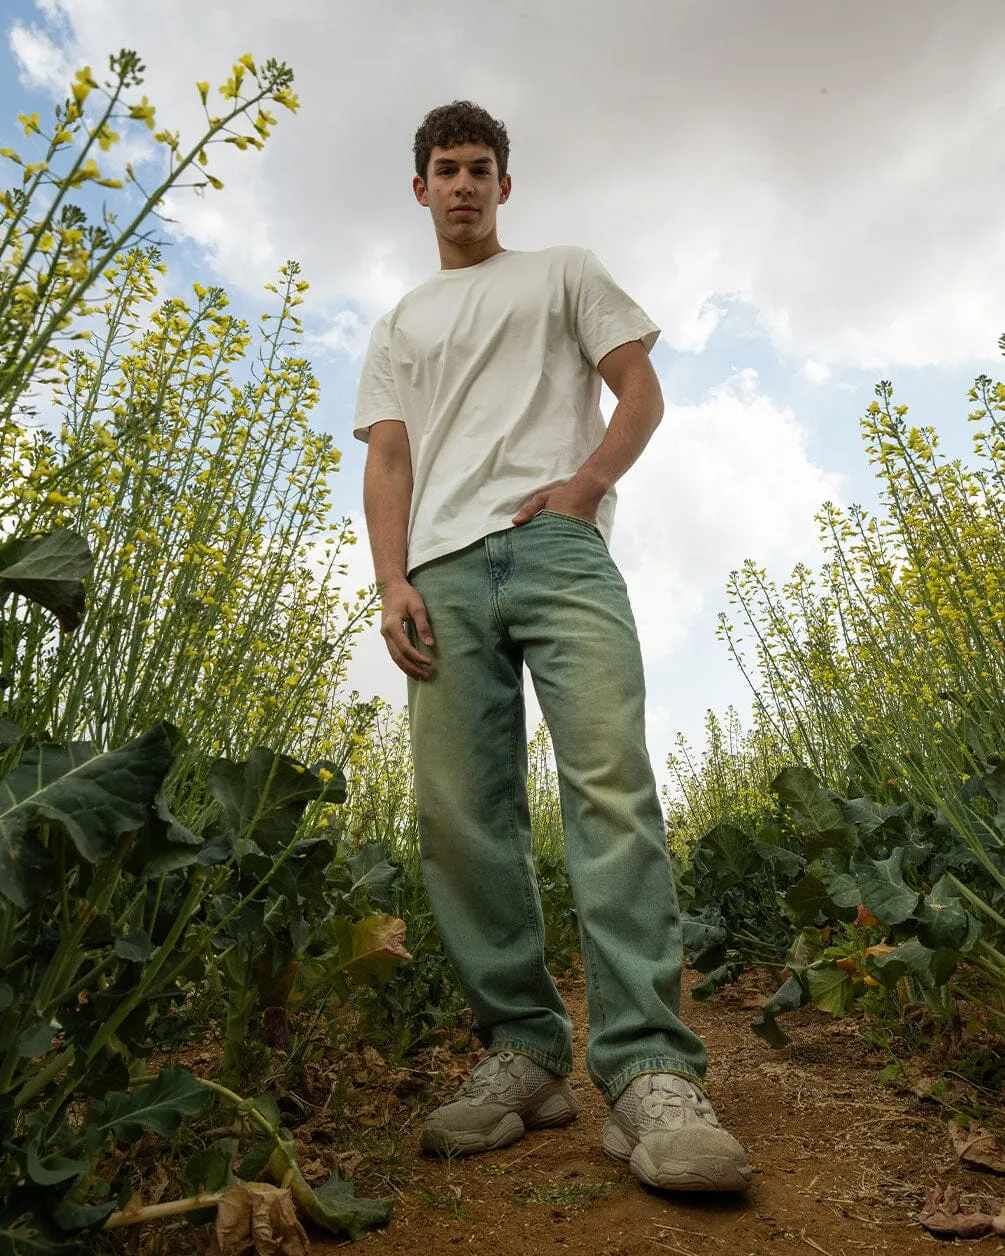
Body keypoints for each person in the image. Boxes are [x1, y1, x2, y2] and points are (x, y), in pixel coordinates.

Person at [353, 100, 752, 1194]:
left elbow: (640, 389)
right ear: (422, 188)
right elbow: (389, 456)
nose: (466, 183)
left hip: (559, 555)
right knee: (456, 810)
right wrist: (390, 582)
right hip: (439, 570)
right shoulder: (399, 322)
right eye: (447, 168)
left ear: (505, 186)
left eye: (483, 167)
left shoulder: (566, 271)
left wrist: (581, 491)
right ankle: (525, 1053)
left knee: (611, 785)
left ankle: (649, 1070)